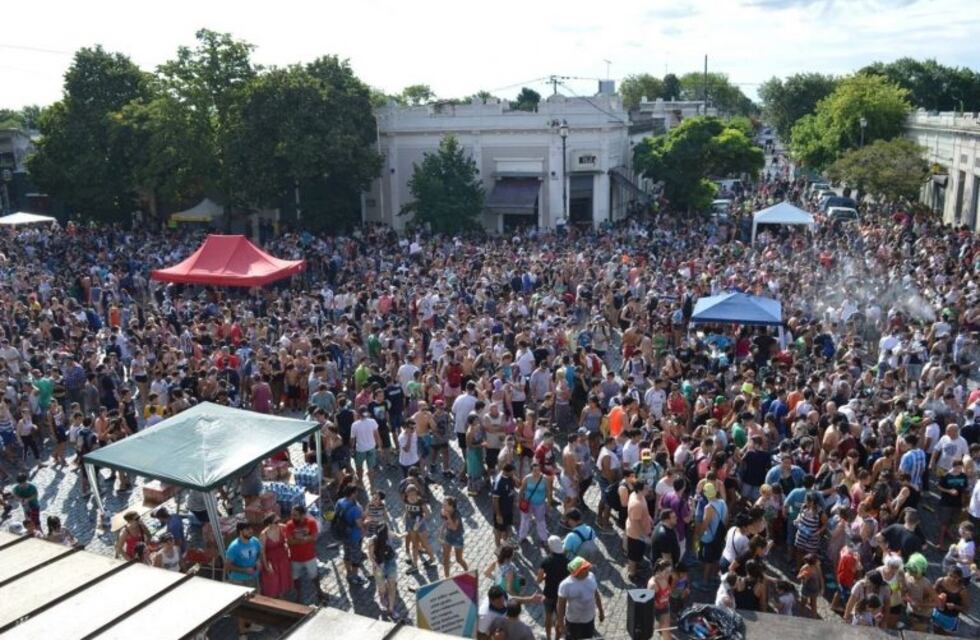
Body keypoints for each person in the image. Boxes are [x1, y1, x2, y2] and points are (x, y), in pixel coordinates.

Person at [225, 522, 266, 638]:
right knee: (242, 606)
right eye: (248, 529)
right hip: (239, 581)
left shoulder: (254, 541)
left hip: (253, 578)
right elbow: (227, 566)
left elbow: (260, 552)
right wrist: (244, 570)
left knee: (253, 603)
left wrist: (258, 561)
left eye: (250, 529)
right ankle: (242, 632)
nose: (251, 531)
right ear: (241, 532)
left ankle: (249, 624)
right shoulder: (234, 547)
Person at [284, 505, 327, 603]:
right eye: (292, 515)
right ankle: (298, 595)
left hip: (309, 556)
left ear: (303, 515)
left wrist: (298, 540)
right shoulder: (289, 525)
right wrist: (305, 539)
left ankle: (319, 592)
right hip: (295, 557)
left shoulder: (311, 522)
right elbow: (289, 542)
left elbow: (314, 537)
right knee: (296, 578)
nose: (293, 517)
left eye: (295, 515)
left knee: (314, 576)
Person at [556, 557, 604, 640]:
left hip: (589, 619)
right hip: (573, 621)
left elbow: (596, 594)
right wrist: (561, 624)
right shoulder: (565, 585)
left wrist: (601, 611)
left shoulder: (591, 576)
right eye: (585, 568)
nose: (588, 568)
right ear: (578, 572)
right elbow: (560, 606)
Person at [537, 536, 570, 640]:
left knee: (548, 616)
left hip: (549, 594)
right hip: (562, 595)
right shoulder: (568, 561)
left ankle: (548, 637)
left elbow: (538, 579)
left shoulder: (546, 561)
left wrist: (545, 577)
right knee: (560, 618)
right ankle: (557, 638)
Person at [259, 513, 292, 599]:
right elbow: (262, 552)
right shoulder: (263, 534)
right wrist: (266, 566)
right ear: (269, 524)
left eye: (278, 521)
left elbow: (290, 532)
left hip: (283, 558)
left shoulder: (281, 527)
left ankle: (283, 597)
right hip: (271, 561)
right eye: (276, 522)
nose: (279, 523)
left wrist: (288, 546)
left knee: (283, 580)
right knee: (274, 583)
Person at [441, 496, 469, 578]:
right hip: (448, 536)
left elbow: (454, 527)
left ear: (451, 506)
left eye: (445, 504)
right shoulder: (444, 511)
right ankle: (447, 578)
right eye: (443, 504)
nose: (443, 506)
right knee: (445, 559)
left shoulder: (457, 514)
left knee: (459, 559)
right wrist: (441, 532)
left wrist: (448, 516)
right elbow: (446, 522)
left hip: (457, 538)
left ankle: (467, 572)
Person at [648, 558, 674, 640]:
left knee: (665, 628)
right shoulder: (653, 584)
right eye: (666, 572)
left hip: (665, 606)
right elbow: (649, 602)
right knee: (665, 629)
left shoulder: (668, 578)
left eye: (670, 571)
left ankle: (661, 629)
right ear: (659, 571)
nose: (669, 574)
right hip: (655, 610)